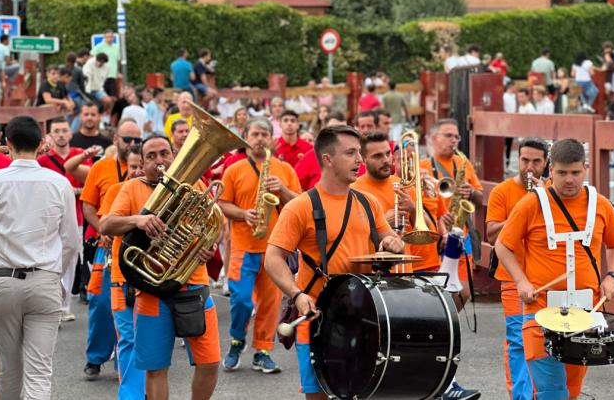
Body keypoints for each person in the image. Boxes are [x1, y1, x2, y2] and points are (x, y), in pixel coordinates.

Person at [264, 125, 404, 400]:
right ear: (328, 160)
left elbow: (388, 236)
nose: (360, 161)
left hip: (365, 318)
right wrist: (297, 294)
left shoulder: (368, 202)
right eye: (351, 153)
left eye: (359, 153)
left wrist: (394, 243)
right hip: (318, 319)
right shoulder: (300, 207)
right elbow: (273, 258)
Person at [496, 138, 614, 400]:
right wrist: (521, 281)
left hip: (585, 311)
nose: (569, 180)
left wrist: (612, 276)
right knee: (550, 392)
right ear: (550, 169)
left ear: (585, 169)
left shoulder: (599, 204)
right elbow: (502, 246)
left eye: (576, 173)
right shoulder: (531, 204)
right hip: (540, 309)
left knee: (571, 390)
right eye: (562, 173)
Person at [100, 134, 219, 400]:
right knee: (155, 368)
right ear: (142, 163)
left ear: (174, 155)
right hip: (152, 290)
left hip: (194, 284)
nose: (159, 161)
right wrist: (138, 221)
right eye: (151, 157)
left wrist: (209, 246)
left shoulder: (195, 184)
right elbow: (106, 225)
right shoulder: (132, 188)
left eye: (164, 153)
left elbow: (212, 226)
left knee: (210, 362)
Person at [0, 116, 82, 399]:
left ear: (8, 144)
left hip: (3, 278)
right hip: (44, 279)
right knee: (39, 370)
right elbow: (71, 240)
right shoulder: (59, 183)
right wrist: (57, 275)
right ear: (42, 143)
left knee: (8, 368)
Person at [219, 117, 301, 373]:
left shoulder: (285, 169)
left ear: (272, 139)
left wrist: (284, 190)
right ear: (245, 138)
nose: (259, 139)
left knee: (269, 303)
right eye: (254, 134)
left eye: (264, 134)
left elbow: (299, 203)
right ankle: (236, 339)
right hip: (243, 246)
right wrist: (243, 213)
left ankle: (263, 351)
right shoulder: (233, 169)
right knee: (242, 300)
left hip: (274, 248)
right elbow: (221, 203)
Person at [421, 118, 483, 399]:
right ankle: (437, 325)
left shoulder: (463, 164)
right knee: (440, 293)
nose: (454, 140)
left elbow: (481, 197)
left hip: (462, 235)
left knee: (465, 291)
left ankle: (439, 323)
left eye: (457, 136)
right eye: (448, 136)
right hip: (437, 239)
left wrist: (472, 193)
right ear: (433, 138)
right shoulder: (424, 167)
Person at [486, 137, 548, 400]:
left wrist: (545, 198)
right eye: (524, 160)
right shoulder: (502, 192)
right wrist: (523, 209)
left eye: (536, 161)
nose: (529, 167)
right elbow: (491, 234)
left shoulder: (552, 190)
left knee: (545, 340)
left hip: (545, 278)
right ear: (517, 160)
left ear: (546, 163)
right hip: (513, 278)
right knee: (518, 339)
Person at [79, 118, 142, 379]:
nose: (131, 144)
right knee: (101, 303)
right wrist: (103, 230)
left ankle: (126, 360)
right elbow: (88, 206)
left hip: (137, 249)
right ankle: (96, 357)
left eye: (136, 140)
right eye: (127, 139)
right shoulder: (101, 166)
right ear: (116, 139)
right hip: (107, 245)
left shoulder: (146, 167)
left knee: (134, 308)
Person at [96, 145, 145, 399]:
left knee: (147, 338)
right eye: (132, 166)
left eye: (140, 166)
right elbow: (106, 226)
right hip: (121, 276)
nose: (136, 171)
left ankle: (147, 389)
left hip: (153, 278)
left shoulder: (160, 190)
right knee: (128, 338)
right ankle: (131, 395)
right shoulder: (117, 190)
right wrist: (136, 220)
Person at [37, 118, 92, 322]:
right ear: (51, 135)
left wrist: (75, 191)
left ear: (70, 133)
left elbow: (92, 184)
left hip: (76, 214)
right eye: (57, 131)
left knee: (70, 260)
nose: (61, 134)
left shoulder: (80, 155)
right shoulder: (42, 160)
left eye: (64, 130)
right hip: (49, 216)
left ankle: (65, 304)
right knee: (51, 257)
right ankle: (55, 301)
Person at [294, 112, 347, 191]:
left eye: (342, 129)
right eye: (333, 128)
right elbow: (294, 184)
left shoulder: (354, 156)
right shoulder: (312, 155)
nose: (338, 133)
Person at [91, 29, 120, 98]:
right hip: (102, 76)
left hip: (112, 75)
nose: (109, 39)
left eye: (111, 37)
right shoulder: (99, 46)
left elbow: (117, 60)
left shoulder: (116, 47)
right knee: (104, 97)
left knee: (113, 97)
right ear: (104, 37)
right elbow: (91, 56)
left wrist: (118, 72)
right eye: (107, 37)